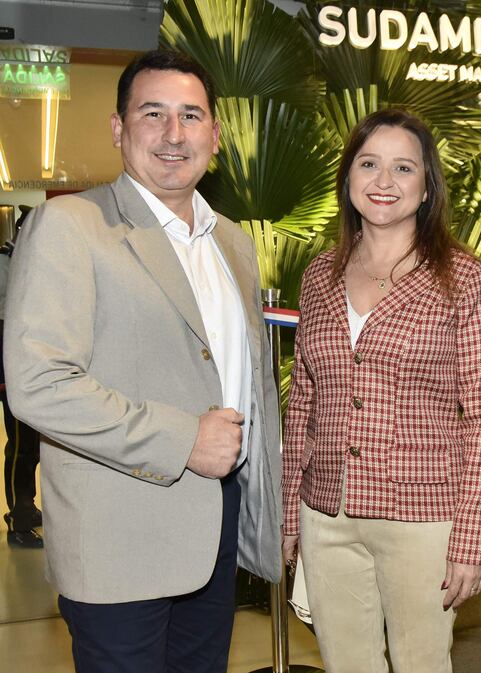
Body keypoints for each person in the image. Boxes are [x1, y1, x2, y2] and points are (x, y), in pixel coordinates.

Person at [3, 49, 282, 673]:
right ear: (118, 128)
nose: (174, 134)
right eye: (152, 113)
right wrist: (184, 438)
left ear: (215, 132)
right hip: (119, 539)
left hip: (216, 525)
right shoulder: (70, 225)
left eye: (191, 115)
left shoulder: (232, 242)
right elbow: (39, 384)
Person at [281, 108, 481, 673]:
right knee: (346, 664)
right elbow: (304, 402)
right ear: (348, 177)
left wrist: (474, 539)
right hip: (327, 511)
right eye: (369, 164)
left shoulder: (462, 277)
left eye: (403, 167)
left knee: (421, 664)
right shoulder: (320, 273)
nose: (384, 182)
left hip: (423, 517)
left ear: (427, 185)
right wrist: (290, 515)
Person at [1, 205, 43, 548]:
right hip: (13, 375)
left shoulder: (44, 267)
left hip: (45, 373)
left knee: (40, 449)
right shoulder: (5, 265)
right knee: (22, 450)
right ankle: (19, 518)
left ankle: (27, 507)